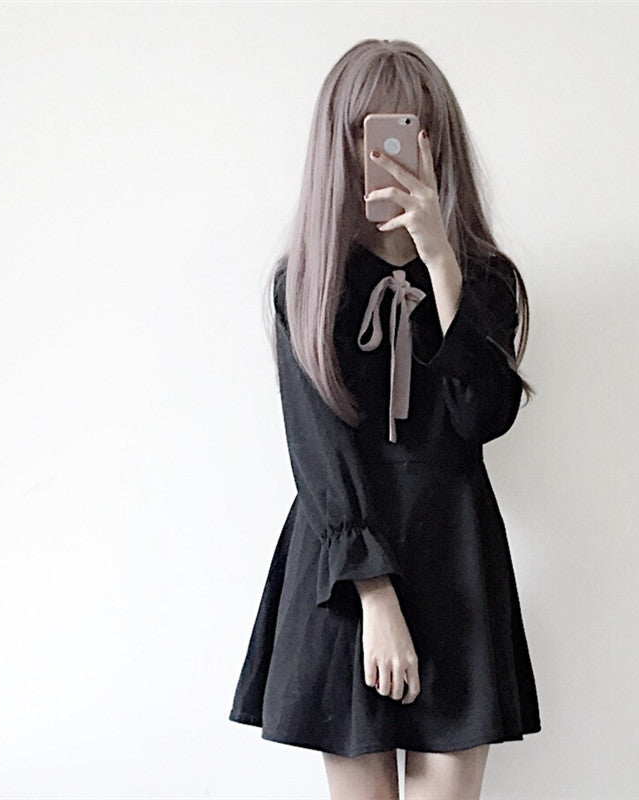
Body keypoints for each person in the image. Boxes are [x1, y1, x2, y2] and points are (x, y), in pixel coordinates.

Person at [229, 38, 541, 799]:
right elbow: (318, 454)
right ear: (342, 146)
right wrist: (374, 596)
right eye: (371, 133)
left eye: (411, 130)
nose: (393, 154)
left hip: (456, 559)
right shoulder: (308, 284)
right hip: (345, 573)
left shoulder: (485, 280)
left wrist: (441, 262)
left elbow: (484, 416)